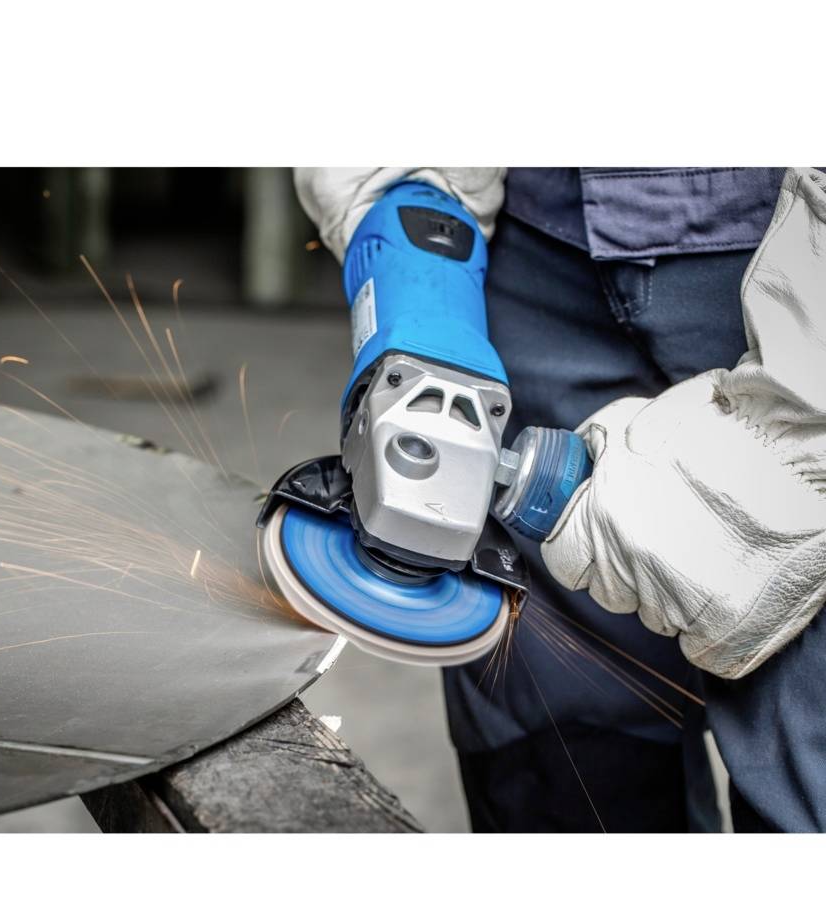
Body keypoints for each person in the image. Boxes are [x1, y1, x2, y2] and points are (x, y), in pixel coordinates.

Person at [294, 167, 826, 832]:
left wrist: (797, 435)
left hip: (794, 277)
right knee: (559, 772)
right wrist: (405, 191)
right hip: (526, 256)